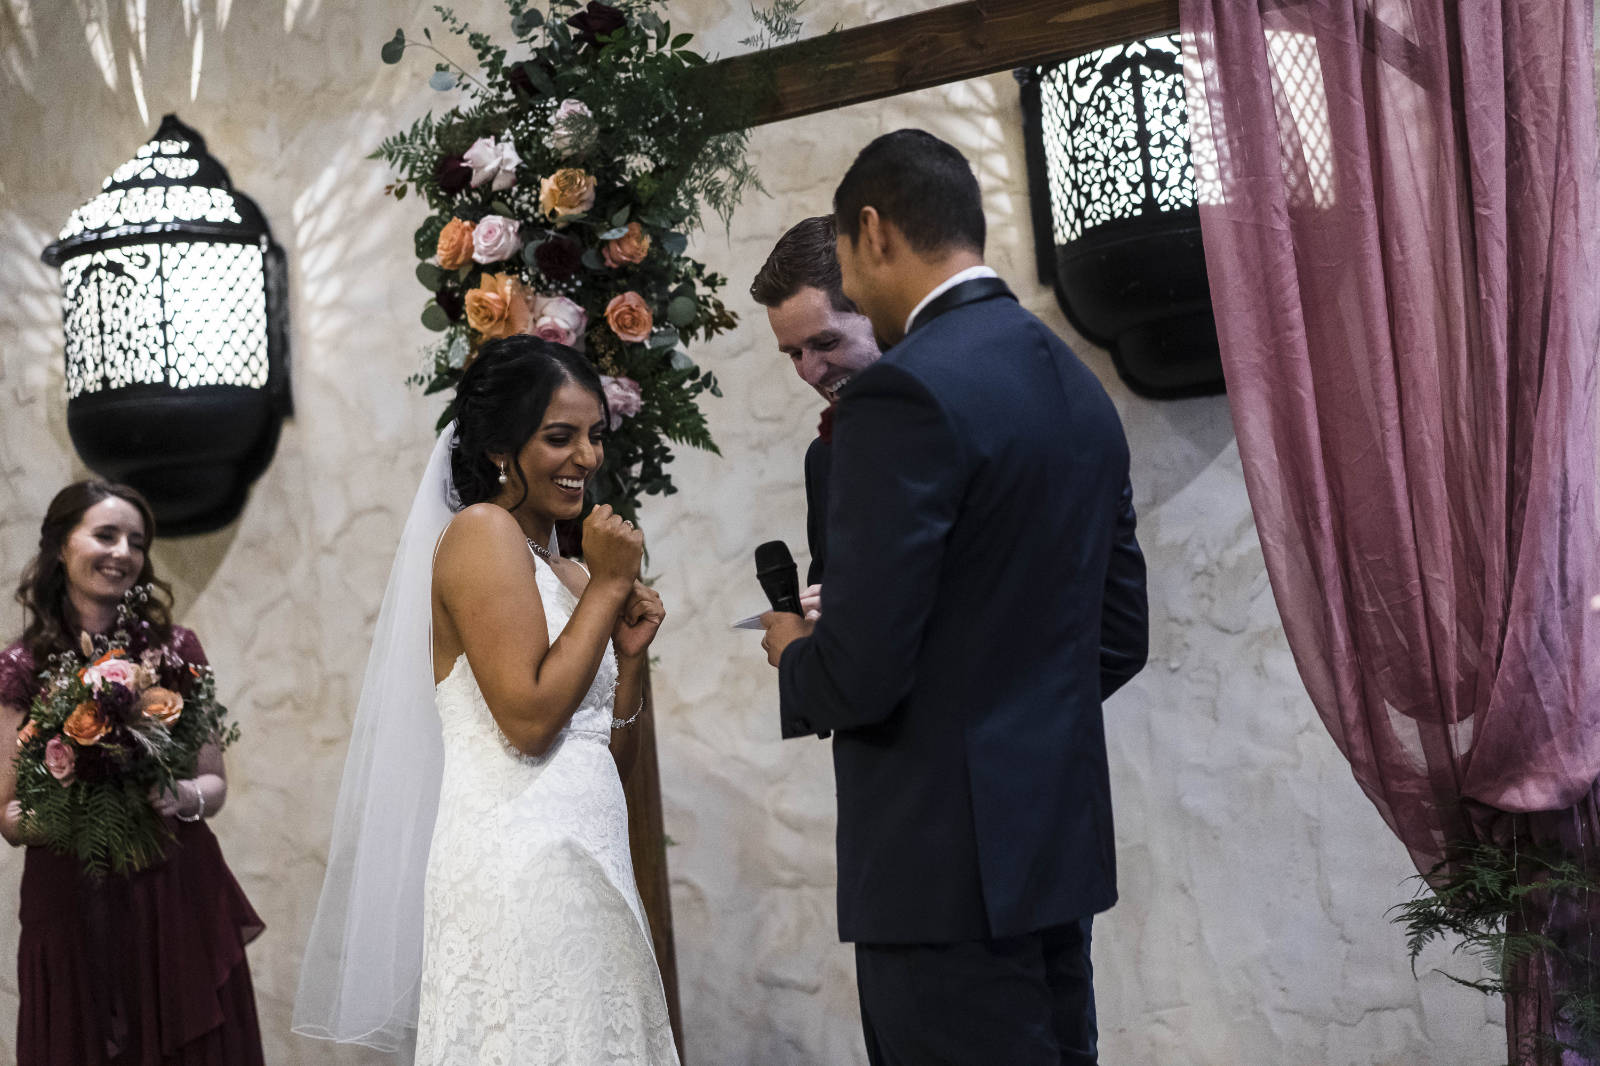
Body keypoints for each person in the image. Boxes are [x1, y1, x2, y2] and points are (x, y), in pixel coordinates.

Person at [759, 129, 1149, 1065]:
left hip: (937, 873)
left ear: (872, 232)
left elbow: (860, 675)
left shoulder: (903, 397)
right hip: (1054, 849)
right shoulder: (1077, 385)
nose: (854, 287)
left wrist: (792, 653)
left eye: (848, 267)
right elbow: (1119, 635)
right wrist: (1004, 727)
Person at [294, 335, 677, 1065]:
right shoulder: (481, 534)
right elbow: (529, 722)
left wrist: (627, 662)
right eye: (559, 437)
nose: (586, 459)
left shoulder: (564, 567)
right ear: (502, 447)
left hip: (588, 862)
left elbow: (601, 755)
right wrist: (609, 585)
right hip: (520, 868)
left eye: (595, 436)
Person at [0, 480, 264, 1065]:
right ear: (60, 546)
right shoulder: (20, 667)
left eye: (137, 542)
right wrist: (76, 800)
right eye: (105, 534)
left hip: (172, 893)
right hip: (72, 904)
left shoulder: (176, 650)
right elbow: (10, 817)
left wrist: (179, 796)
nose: (123, 551)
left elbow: (213, 783)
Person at [750, 215, 882, 610]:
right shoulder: (824, 458)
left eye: (825, 342)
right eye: (793, 353)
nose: (809, 371)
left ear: (880, 312)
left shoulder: (965, 423)